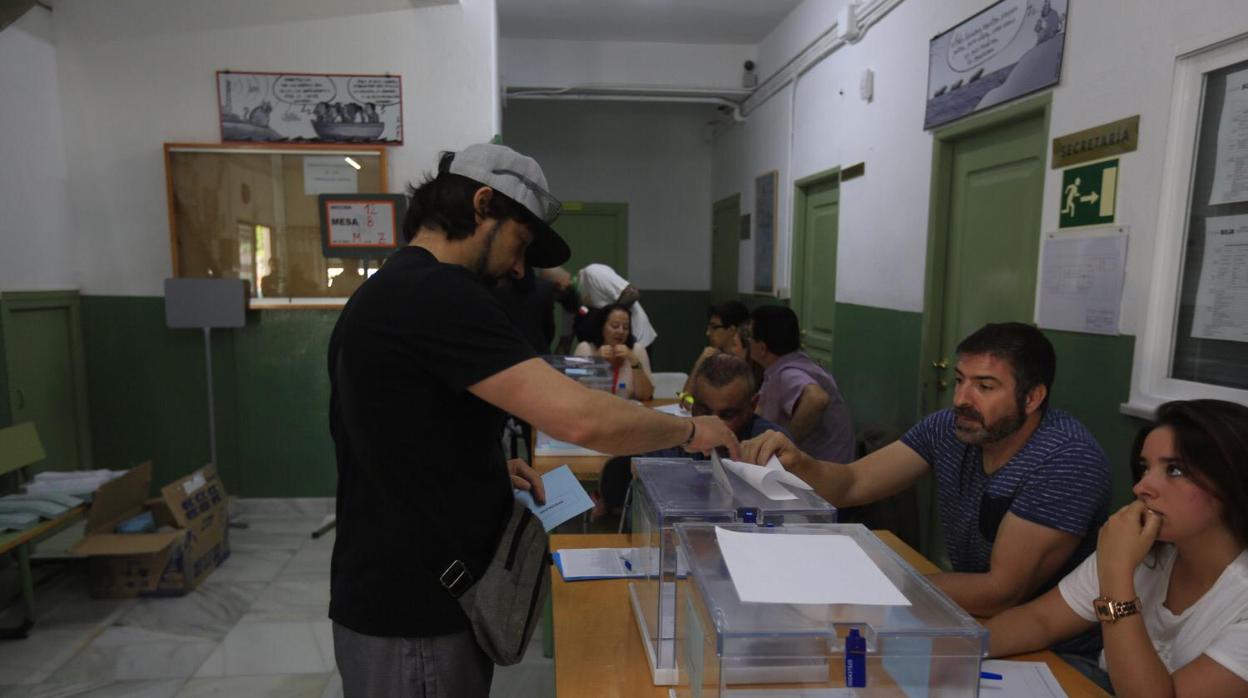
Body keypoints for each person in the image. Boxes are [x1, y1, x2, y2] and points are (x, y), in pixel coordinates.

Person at [327, 143, 740, 698]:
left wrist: (484, 473)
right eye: (521, 243)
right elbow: (582, 420)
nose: (520, 268)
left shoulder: (393, 287)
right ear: (481, 204)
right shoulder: (436, 293)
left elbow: (401, 436)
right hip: (414, 614)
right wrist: (692, 429)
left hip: (400, 590)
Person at [742, 322, 1112, 635]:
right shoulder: (951, 428)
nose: (962, 399)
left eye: (984, 387)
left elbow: (1002, 591)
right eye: (959, 380)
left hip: (1045, 646)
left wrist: (872, 584)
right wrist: (798, 462)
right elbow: (854, 483)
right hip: (963, 620)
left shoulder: (1066, 459)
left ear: (1032, 398)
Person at [985, 400, 1248, 695]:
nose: (1141, 487)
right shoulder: (1147, 548)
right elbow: (1041, 620)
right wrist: (953, 648)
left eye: (1174, 470)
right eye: (1145, 468)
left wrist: (1116, 573)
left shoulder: (1125, 558)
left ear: (1231, 480)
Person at [748, 305, 856, 463]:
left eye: (750, 337)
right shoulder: (790, 364)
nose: (747, 342)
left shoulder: (788, 374)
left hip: (827, 469)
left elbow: (817, 399)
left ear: (763, 348)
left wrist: (786, 440)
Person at [573, 303, 654, 400]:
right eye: (615, 326)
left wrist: (634, 362)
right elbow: (573, 390)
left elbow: (646, 395)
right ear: (602, 327)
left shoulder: (637, 350)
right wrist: (595, 361)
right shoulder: (585, 349)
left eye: (625, 327)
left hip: (628, 411)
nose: (621, 331)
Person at [574, 263, 657, 348]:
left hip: (637, 337)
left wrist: (607, 319)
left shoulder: (592, 273)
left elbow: (632, 293)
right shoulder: (576, 298)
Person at [682, 300, 750, 395]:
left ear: (731, 330)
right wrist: (698, 365)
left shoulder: (748, 364)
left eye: (714, 327)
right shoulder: (714, 358)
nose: (708, 333)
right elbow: (685, 399)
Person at [491, 264, 557, 354]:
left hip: (506, 353)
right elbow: (549, 331)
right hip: (538, 353)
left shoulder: (493, 290)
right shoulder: (546, 288)